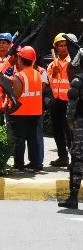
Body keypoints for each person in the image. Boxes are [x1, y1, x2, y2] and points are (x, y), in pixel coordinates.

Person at [9, 46, 43, 172]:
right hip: (35, 111)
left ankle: (19, 165)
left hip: (20, 112)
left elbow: (16, 96)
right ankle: (35, 164)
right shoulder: (38, 74)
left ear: (20, 60)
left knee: (20, 138)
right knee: (32, 137)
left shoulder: (20, 76)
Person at [58, 48, 83, 209]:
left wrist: (70, 121)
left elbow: (71, 106)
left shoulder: (78, 82)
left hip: (81, 125)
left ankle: (73, 197)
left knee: (77, 160)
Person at [47, 33, 71, 167]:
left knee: (70, 131)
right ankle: (62, 157)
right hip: (56, 101)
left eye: (65, 45)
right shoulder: (51, 65)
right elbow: (49, 82)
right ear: (56, 47)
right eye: (60, 45)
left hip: (69, 101)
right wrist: (55, 72)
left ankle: (76, 159)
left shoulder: (74, 62)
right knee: (57, 130)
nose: (63, 48)